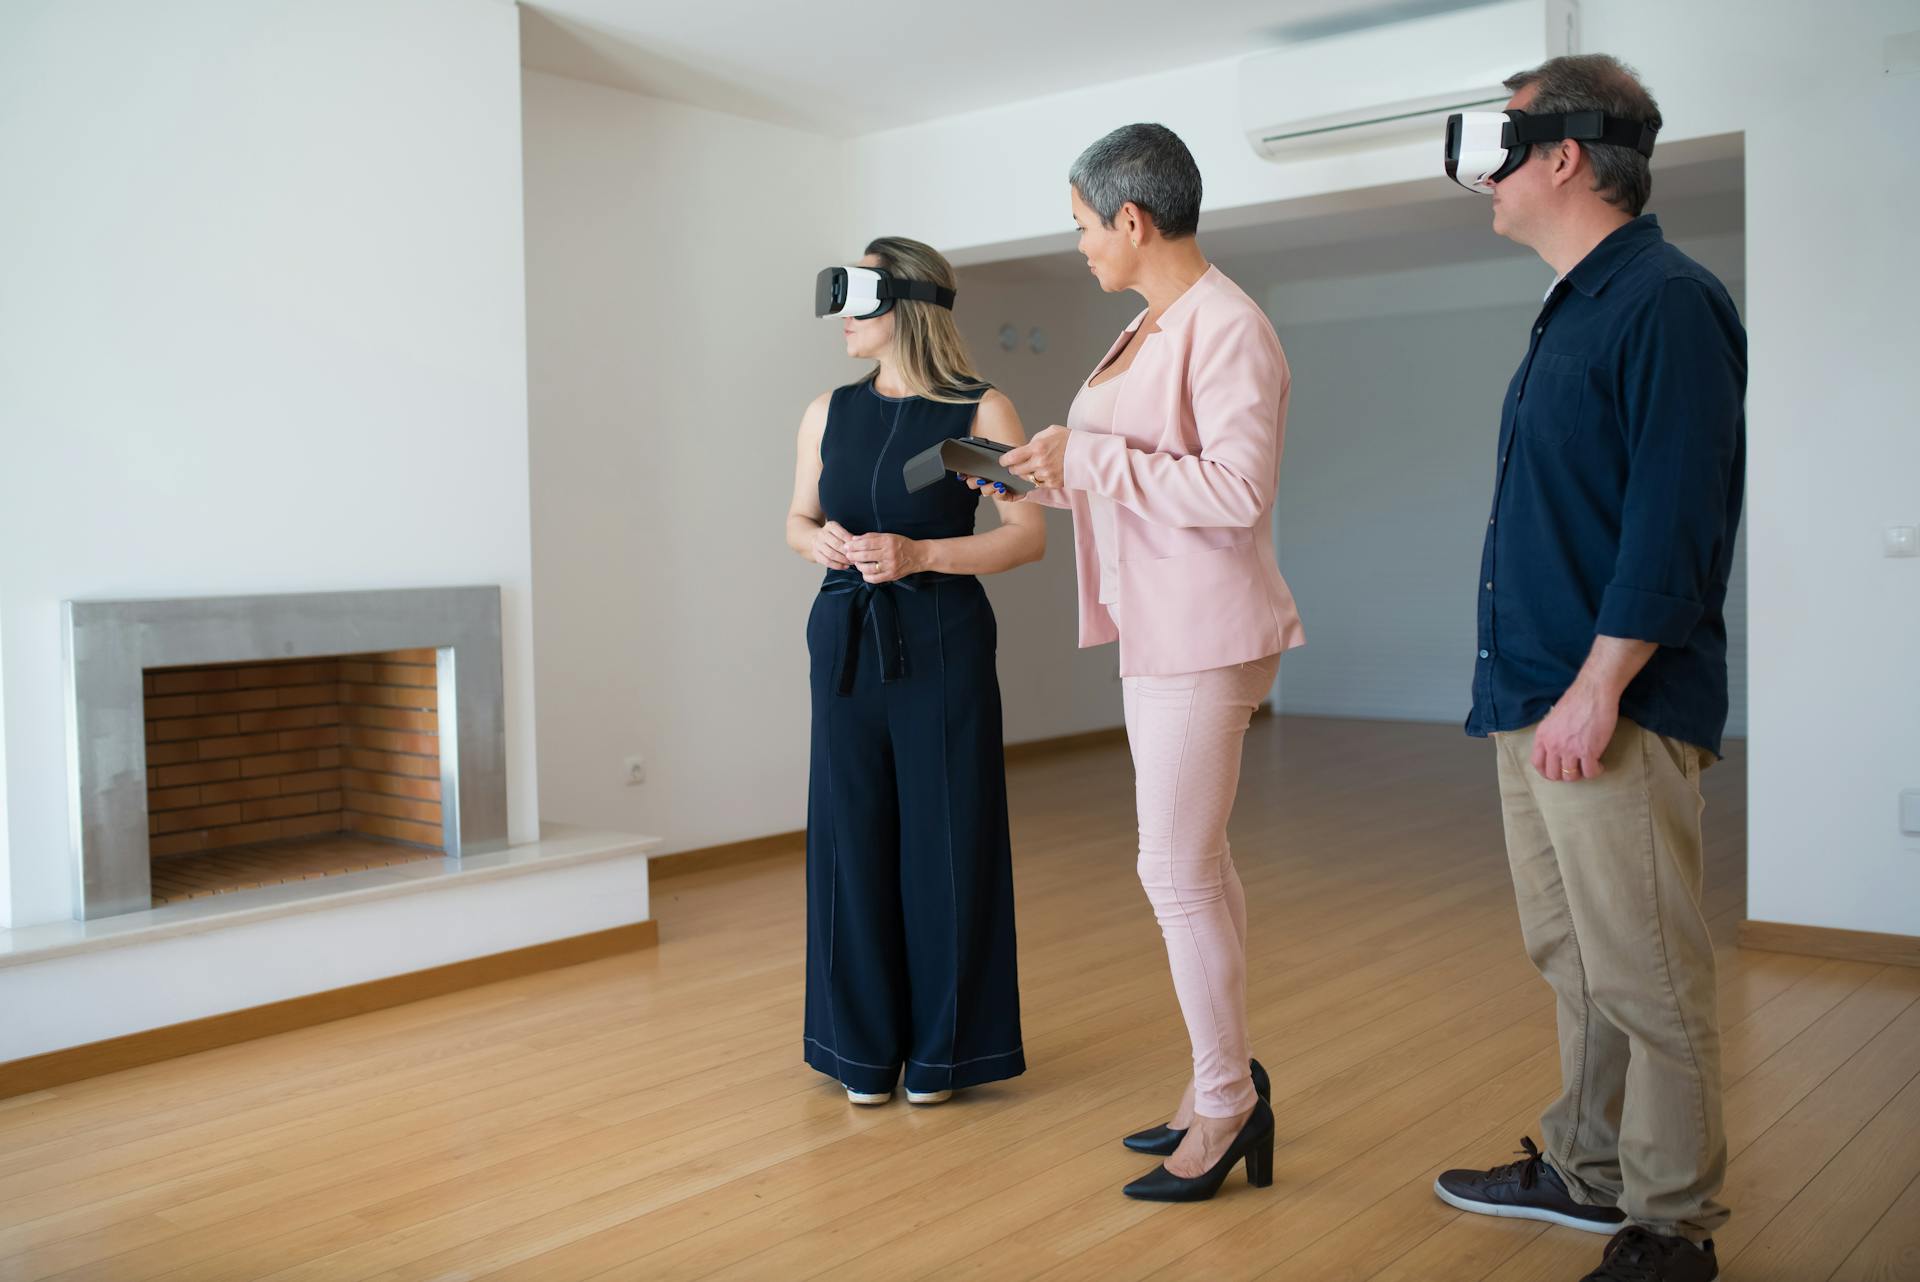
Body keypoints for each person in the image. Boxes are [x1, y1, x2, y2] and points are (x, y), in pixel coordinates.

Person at [1429, 55, 1745, 1282]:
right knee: (1575, 957)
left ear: (1564, 153)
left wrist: (1600, 684)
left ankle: (1670, 1225)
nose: (1484, 172)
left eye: (1502, 141)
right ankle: (1587, 1166)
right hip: (1537, 693)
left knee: (1648, 968)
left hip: (1604, 701)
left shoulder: (1668, 300)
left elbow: (1675, 523)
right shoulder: (1576, 302)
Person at [996, 123, 1305, 1201]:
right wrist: (1042, 476)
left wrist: (1090, 459)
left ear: (1131, 220)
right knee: (1199, 868)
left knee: (1173, 872)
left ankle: (1226, 1106)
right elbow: (1128, 472)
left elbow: (1232, 490)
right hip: (1162, 626)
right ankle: (1216, 1082)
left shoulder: (1227, 327)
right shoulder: (1149, 326)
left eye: (1083, 226)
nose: (1080, 244)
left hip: (1204, 634)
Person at [785, 236, 1044, 1106]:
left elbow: (1025, 537)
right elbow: (796, 517)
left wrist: (922, 550)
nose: (843, 320)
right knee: (850, 836)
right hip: (846, 641)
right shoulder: (827, 411)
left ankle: (945, 1054)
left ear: (904, 304)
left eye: (857, 298)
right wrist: (815, 538)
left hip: (940, 639)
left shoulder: (980, 414)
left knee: (945, 836)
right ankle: (858, 1052)